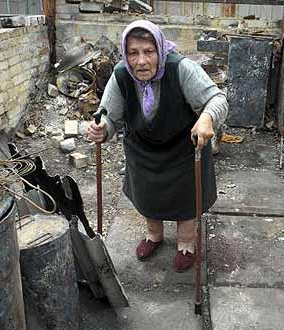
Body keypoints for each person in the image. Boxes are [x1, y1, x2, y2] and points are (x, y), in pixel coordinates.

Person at [87, 20, 228, 272]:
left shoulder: (181, 68)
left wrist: (207, 118)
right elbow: (109, 115)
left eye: (148, 52)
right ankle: (154, 235)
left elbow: (216, 99)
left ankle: (186, 242)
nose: (141, 61)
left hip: (185, 147)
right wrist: (103, 128)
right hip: (143, 149)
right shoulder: (121, 75)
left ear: (160, 50)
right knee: (147, 193)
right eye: (133, 53)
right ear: (125, 54)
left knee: (186, 197)